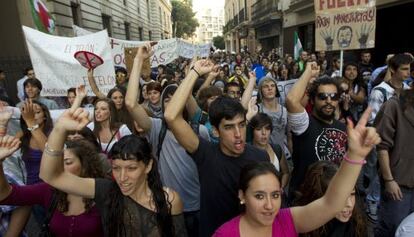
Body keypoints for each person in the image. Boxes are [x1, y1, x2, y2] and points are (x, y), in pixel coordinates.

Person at [213, 112, 381, 236]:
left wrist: (355, 155)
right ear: (242, 196)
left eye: (275, 195)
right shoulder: (225, 234)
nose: (270, 206)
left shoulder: (287, 220)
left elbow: (332, 204)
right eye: (259, 196)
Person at [39, 107, 187, 236]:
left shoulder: (170, 201)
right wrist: (59, 129)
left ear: (148, 166)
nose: (122, 177)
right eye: (116, 168)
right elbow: (51, 176)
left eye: (131, 168)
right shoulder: (106, 191)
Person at [164, 58, 270, 237]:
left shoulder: (261, 158)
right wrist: (194, 72)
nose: (238, 133)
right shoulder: (205, 154)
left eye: (242, 125)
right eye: (229, 127)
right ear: (215, 131)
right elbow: (171, 116)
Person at [125, 44, 209, 236]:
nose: (172, 103)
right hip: (166, 207)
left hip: (198, 206)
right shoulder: (156, 128)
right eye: (167, 99)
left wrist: (193, 74)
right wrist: (139, 60)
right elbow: (130, 104)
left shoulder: (200, 131)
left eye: (176, 98)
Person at [0, 137, 106, 237]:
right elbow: (6, 195)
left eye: (67, 163)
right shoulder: (49, 190)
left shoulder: (103, 192)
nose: (59, 167)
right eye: (57, 163)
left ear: (85, 166)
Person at [286, 62, 347, 198]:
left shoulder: (344, 128)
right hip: (305, 199)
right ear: (312, 100)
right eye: (322, 97)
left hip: (334, 197)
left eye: (334, 97)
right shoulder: (304, 124)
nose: (329, 101)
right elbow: (291, 100)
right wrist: (308, 73)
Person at [375, 84, 414, 237]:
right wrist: (389, 179)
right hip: (398, 184)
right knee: (391, 229)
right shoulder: (395, 104)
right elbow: (381, 145)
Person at [295, 161, 367, 237]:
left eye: (352, 194)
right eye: (340, 197)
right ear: (319, 198)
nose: (350, 204)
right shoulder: (301, 226)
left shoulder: (357, 221)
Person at [248, 113, 290, 189]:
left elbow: (285, 173)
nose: (264, 133)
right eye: (259, 129)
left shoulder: (276, 149)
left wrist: (280, 187)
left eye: (267, 128)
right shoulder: (246, 152)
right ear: (252, 131)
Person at [20, 100, 53, 185]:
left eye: (37, 112)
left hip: (49, 186)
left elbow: (48, 152)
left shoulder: (53, 134)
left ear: (45, 116)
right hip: (30, 186)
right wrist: (2, 123)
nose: (33, 115)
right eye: (30, 113)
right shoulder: (23, 135)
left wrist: (31, 122)